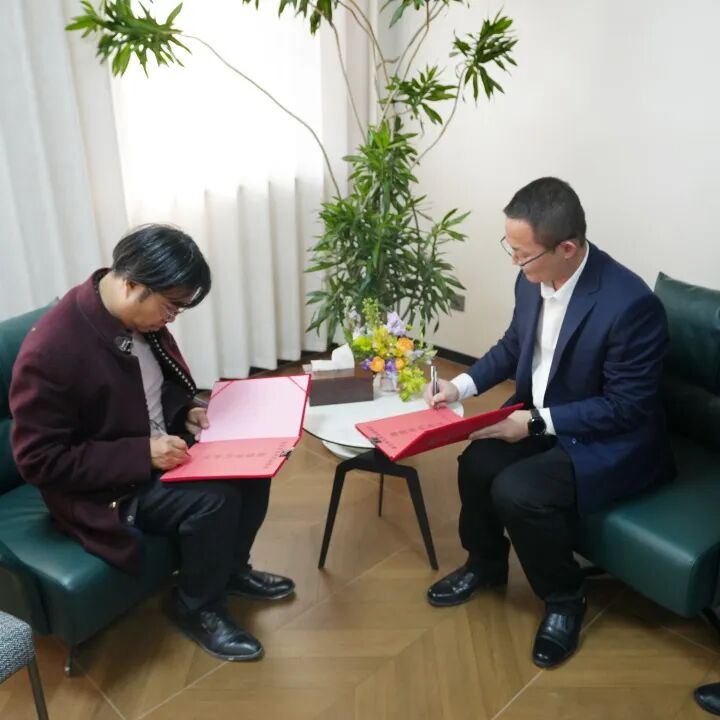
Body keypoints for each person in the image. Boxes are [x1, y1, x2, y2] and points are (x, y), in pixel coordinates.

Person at [10, 224, 294, 662]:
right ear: (131, 284)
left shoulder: (137, 318)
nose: (172, 318)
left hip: (160, 452)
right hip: (106, 489)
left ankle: (231, 571)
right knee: (214, 499)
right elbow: (38, 461)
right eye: (171, 306)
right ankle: (197, 607)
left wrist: (186, 410)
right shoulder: (51, 351)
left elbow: (150, 390)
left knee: (256, 464)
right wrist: (141, 453)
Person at [424, 177, 672, 668]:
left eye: (522, 254)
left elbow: (627, 407)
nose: (514, 263)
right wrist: (462, 386)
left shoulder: (630, 305)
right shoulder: (532, 278)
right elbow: (514, 345)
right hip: (542, 415)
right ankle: (485, 564)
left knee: (518, 491)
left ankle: (564, 599)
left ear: (567, 248)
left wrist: (536, 424)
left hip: (607, 439)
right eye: (510, 248)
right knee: (476, 462)